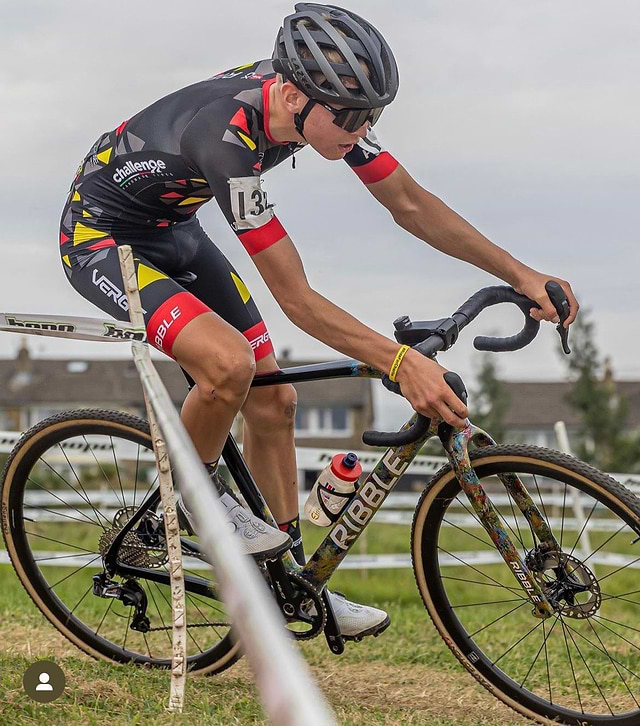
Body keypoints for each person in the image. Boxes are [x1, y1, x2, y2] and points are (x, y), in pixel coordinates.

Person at [58, 3, 579, 639]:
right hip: (101, 236)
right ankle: (188, 506)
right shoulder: (226, 138)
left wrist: (520, 273)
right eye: (352, 117)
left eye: (374, 117)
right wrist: (397, 360)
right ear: (297, 94)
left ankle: (291, 585)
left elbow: (410, 203)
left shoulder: (325, 107)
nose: (362, 130)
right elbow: (297, 298)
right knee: (228, 366)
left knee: (273, 403)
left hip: (172, 228)